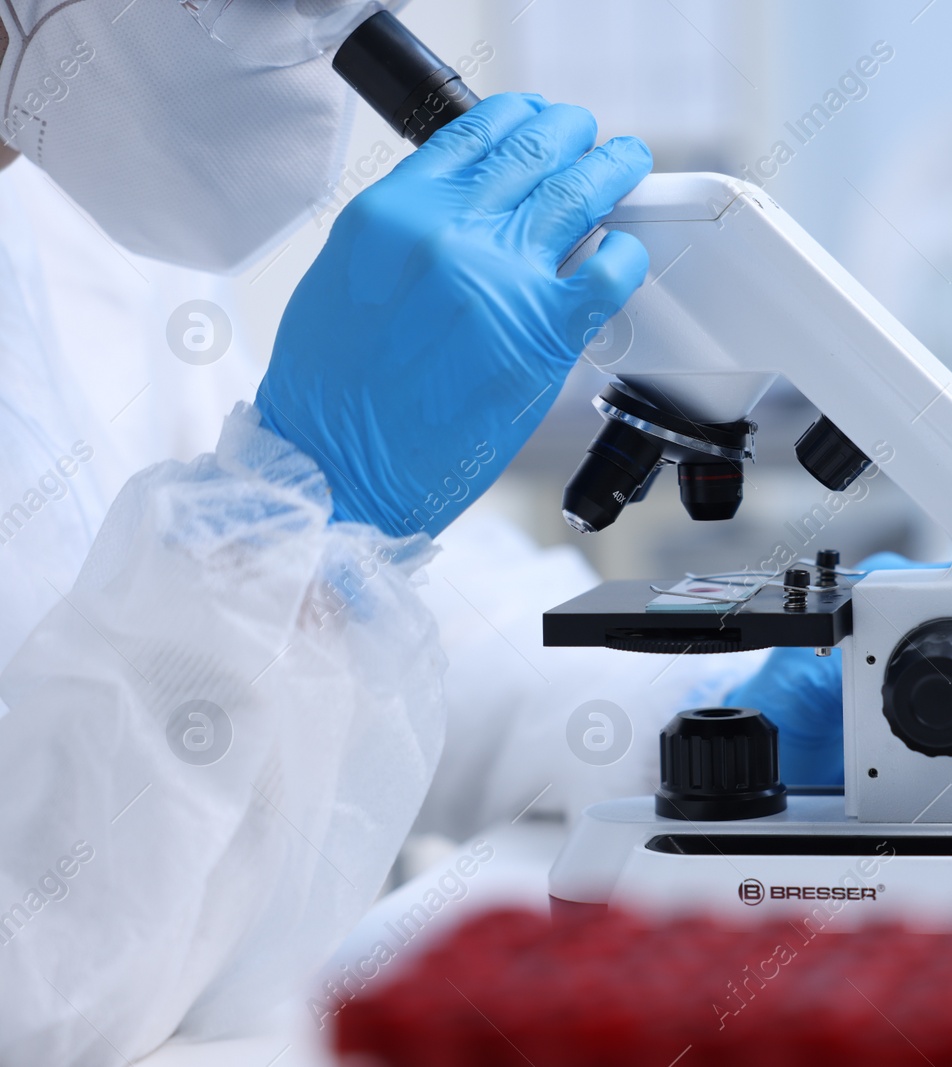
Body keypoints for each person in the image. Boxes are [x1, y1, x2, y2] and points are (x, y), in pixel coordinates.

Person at [0, 1, 838, 1062]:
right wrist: (301, 491)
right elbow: (27, 983)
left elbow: (384, 625)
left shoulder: (82, 226)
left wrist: (695, 709)